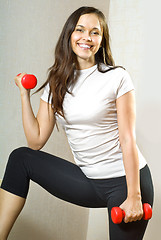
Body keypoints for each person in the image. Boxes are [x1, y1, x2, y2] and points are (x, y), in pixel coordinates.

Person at [0, 6, 154, 240]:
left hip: (126, 182)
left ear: (102, 40)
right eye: (80, 30)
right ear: (69, 35)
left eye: (95, 32)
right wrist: (24, 94)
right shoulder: (57, 82)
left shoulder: (116, 77)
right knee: (21, 158)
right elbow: (35, 141)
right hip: (89, 181)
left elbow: (127, 138)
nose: (87, 37)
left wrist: (134, 196)